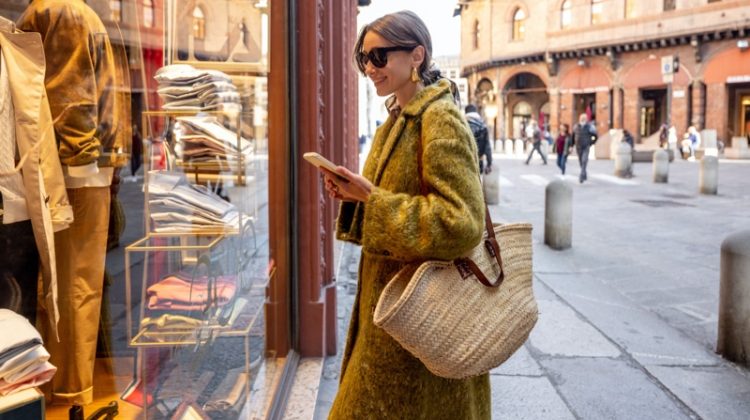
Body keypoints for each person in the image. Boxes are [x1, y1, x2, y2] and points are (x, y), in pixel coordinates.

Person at [322, 11, 489, 419]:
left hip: (423, 318)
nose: (368, 68)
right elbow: (384, 199)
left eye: (378, 56)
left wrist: (374, 201)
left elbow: (462, 221)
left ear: (416, 55)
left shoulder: (439, 118)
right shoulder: (396, 118)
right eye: (363, 58)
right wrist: (356, 197)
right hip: (392, 316)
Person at [18, 0, 129, 407]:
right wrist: (84, 163)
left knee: (73, 283)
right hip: (76, 172)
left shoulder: (60, 10)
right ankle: (67, 391)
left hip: (76, 168)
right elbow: (69, 93)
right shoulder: (65, 10)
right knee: (73, 284)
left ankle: (65, 386)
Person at [465, 104, 492, 174]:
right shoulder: (483, 126)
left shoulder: (463, 124)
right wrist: (489, 163)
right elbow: (487, 147)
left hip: (465, 161)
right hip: (479, 161)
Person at [571, 113, 597, 183]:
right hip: (578, 146)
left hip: (586, 146)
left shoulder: (590, 127)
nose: (583, 119)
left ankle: (581, 176)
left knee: (584, 160)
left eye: (584, 118)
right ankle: (584, 173)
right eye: (582, 118)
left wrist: (591, 142)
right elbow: (573, 136)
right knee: (580, 161)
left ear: (586, 119)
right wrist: (571, 145)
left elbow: (595, 136)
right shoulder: (576, 126)